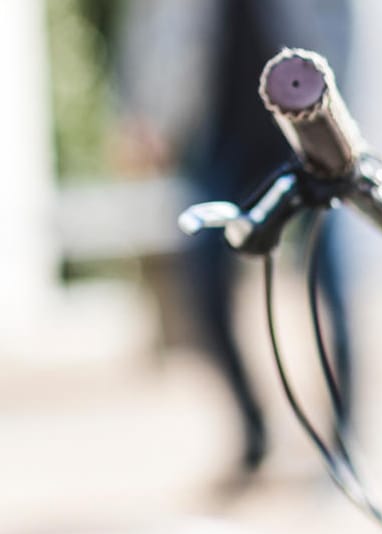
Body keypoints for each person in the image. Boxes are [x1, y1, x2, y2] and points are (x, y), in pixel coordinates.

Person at [115, 0, 355, 480]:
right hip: (218, 136)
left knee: (328, 283)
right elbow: (149, 25)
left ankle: (344, 442)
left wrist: (341, 117)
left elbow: (343, 19)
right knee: (202, 280)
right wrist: (142, 112)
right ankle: (253, 428)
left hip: (308, 134)